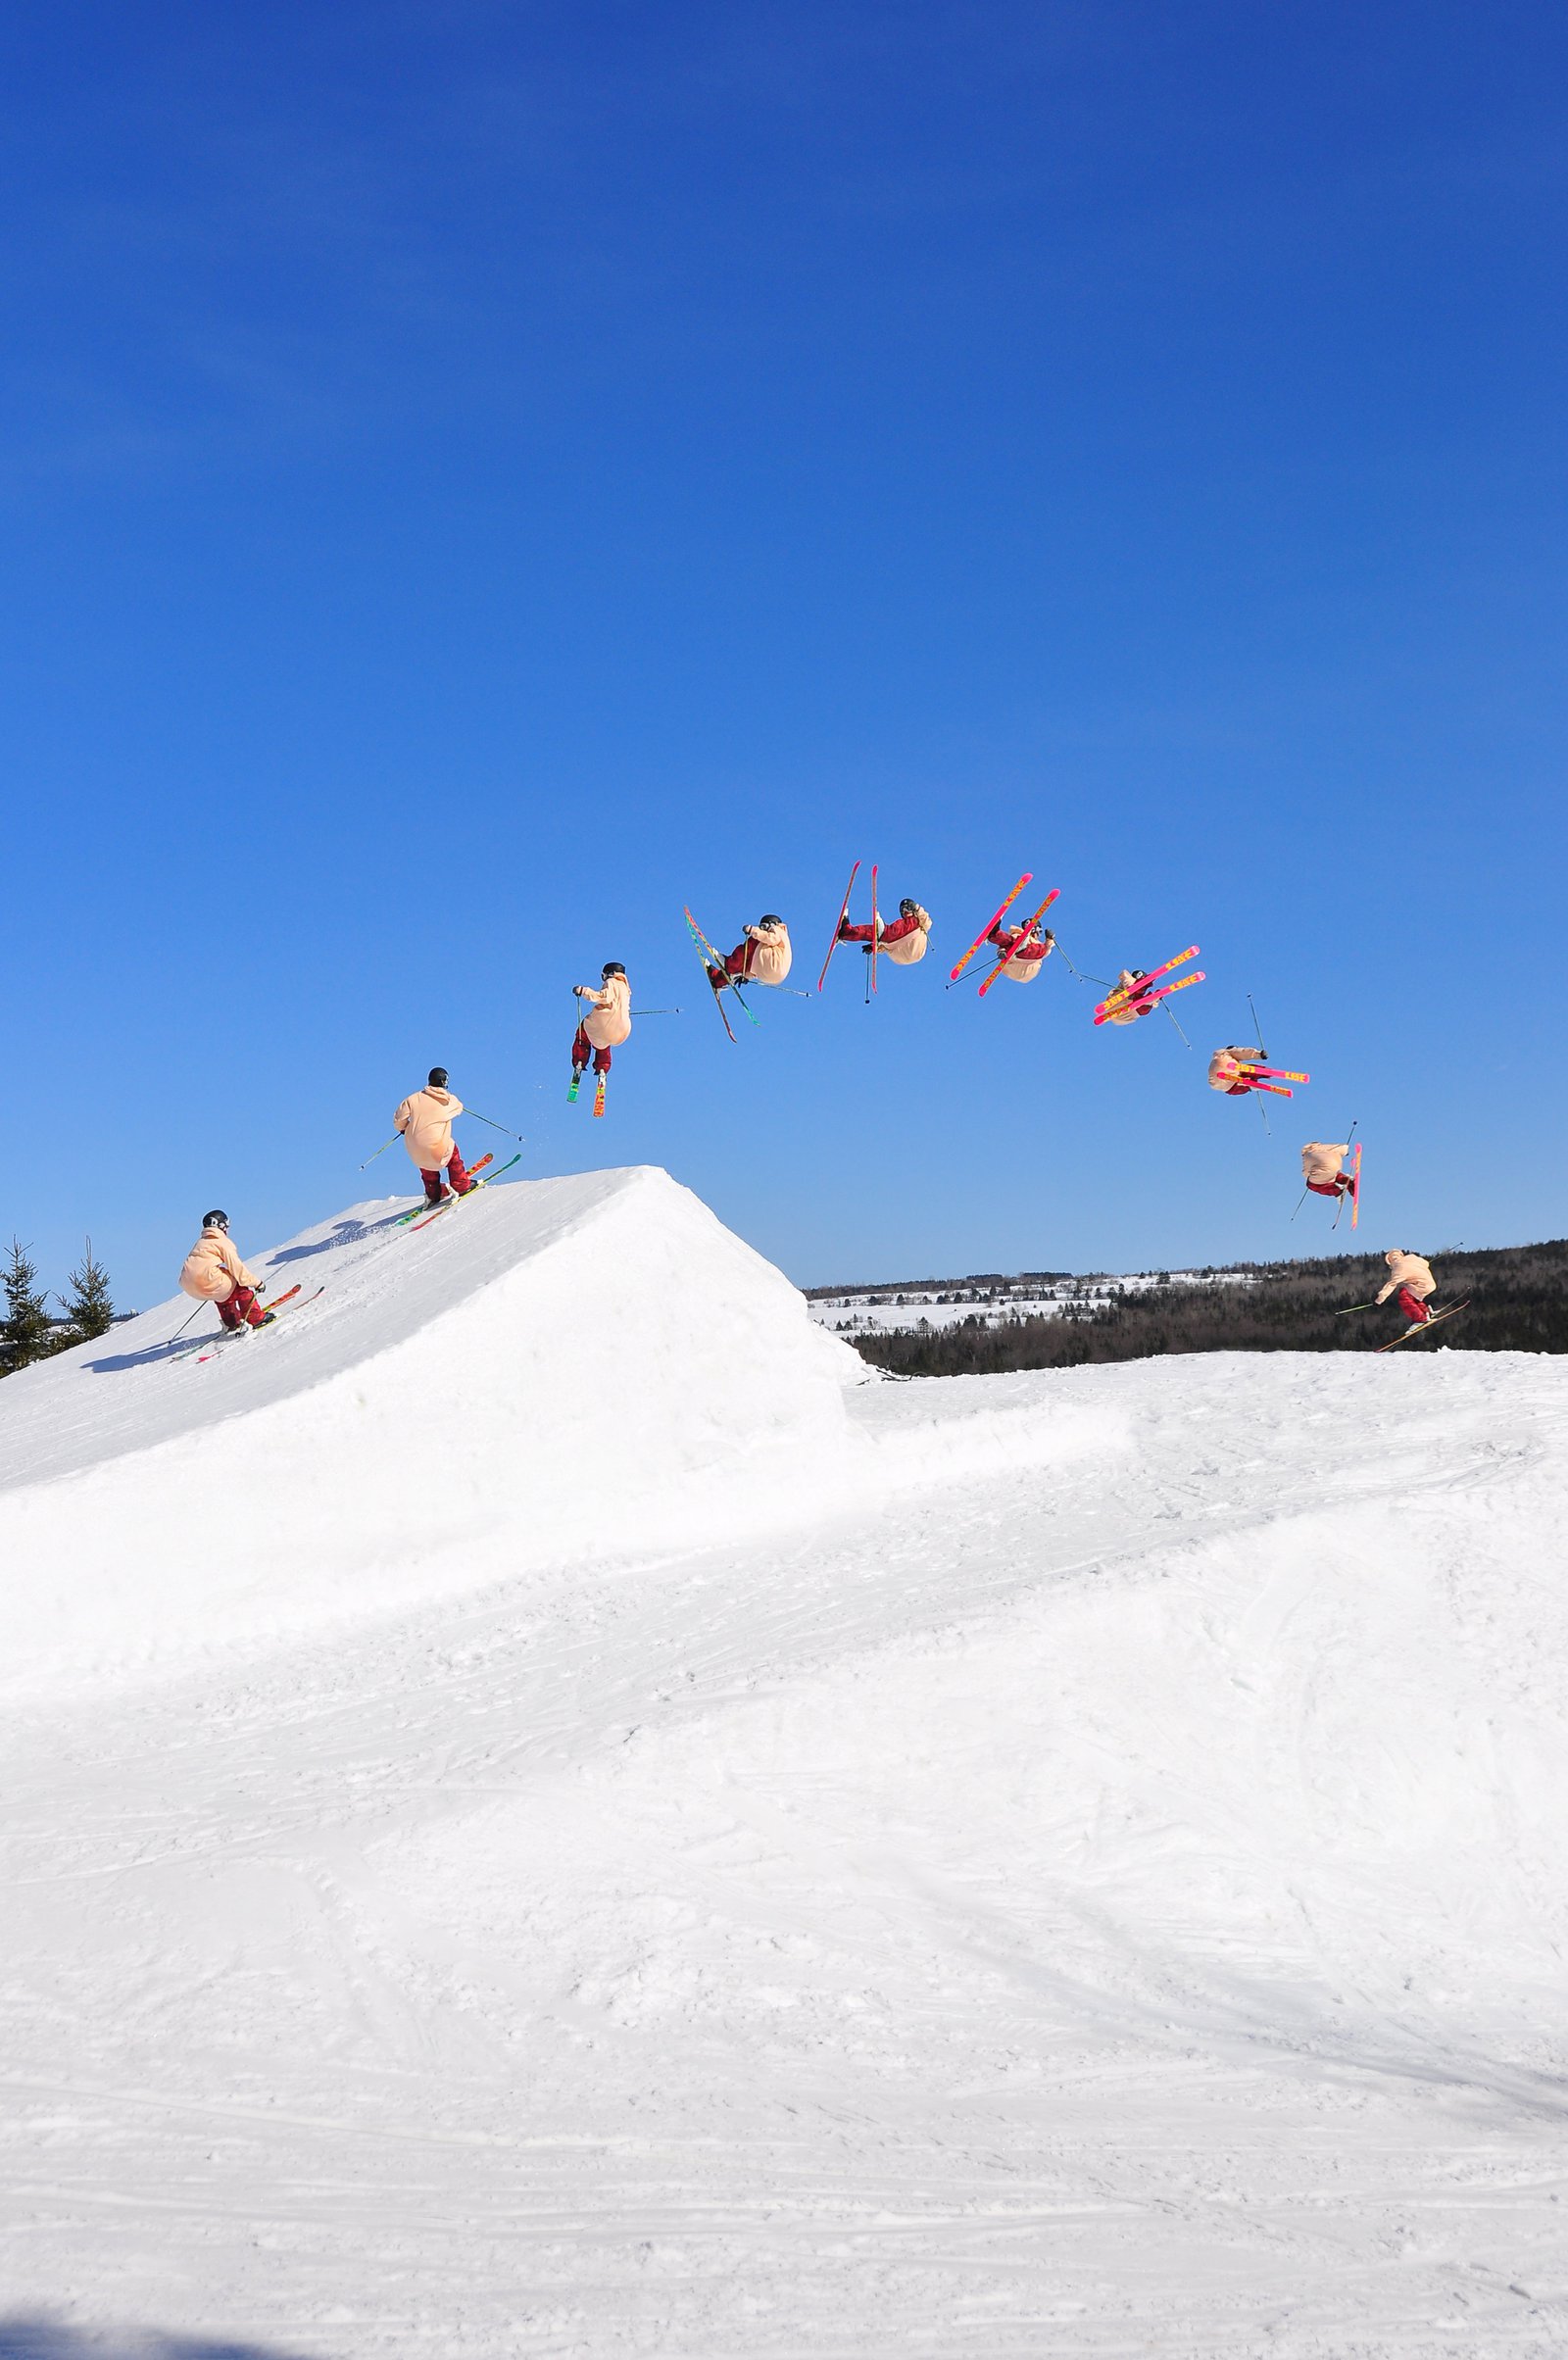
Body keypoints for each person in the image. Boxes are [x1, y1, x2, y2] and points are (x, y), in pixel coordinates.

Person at [394, 1067, 475, 1208]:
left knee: (426, 1164)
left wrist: (404, 1128)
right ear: (444, 1081)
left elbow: (398, 1120)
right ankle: (460, 1184)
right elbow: (459, 1108)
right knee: (452, 1153)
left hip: (414, 1149)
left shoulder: (413, 1098)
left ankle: (434, 1193)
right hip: (437, 1147)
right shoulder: (448, 1099)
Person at [178, 1210, 271, 1333]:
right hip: (208, 1280)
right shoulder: (223, 1242)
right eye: (226, 1226)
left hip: (188, 1285)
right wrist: (257, 1283)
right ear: (221, 1226)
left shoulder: (201, 1242)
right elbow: (237, 1269)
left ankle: (231, 1321)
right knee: (239, 1285)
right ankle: (255, 1318)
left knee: (223, 1287)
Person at [572, 961, 632, 1083]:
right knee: (604, 1042)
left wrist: (583, 991)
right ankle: (602, 1069)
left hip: (603, 1023)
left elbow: (604, 996)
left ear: (610, 974)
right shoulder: (626, 989)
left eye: (603, 976)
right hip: (622, 1030)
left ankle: (579, 1061)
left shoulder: (611, 982)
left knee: (582, 1034)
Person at [838, 899, 932, 966]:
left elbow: (927, 920)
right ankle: (846, 932)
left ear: (912, 909)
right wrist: (873, 947)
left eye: (907, 909)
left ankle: (882, 931)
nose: (905, 912)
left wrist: (917, 907)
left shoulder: (919, 922)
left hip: (912, 948)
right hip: (899, 953)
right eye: (903, 911)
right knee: (877, 935)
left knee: (912, 922)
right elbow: (884, 947)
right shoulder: (907, 928)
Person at [710, 914, 792, 992]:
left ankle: (730, 964)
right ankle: (717, 980)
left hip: (771, 964)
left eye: (763, 927)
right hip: (774, 976)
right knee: (747, 963)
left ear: (772, 924)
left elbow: (772, 938)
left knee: (754, 941)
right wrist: (746, 976)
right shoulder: (782, 947)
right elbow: (759, 965)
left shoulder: (779, 930)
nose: (762, 930)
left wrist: (752, 930)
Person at [1375, 1248, 1437, 1328]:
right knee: (1409, 1295)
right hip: (1430, 1283)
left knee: (1404, 1297)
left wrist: (1379, 1300)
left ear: (1390, 1262)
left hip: (1421, 1285)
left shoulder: (1398, 1268)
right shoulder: (1412, 1257)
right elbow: (1426, 1263)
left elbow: (1391, 1284)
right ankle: (1426, 1312)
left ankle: (1420, 1319)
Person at [983, 918, 1055, 983]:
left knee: (1040, 949)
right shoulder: (1018, 935)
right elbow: (1005, 945)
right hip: (1014, 963)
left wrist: (1049, 940)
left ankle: (1022, 949)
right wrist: (1002, 952)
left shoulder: (1037, 943)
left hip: (1026, 968)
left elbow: (1045, 951)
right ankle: (994, 934)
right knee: (1010, 940)